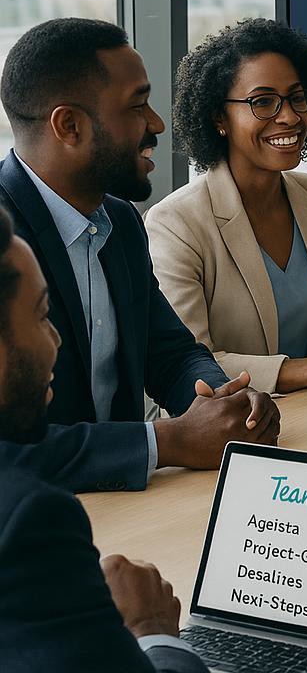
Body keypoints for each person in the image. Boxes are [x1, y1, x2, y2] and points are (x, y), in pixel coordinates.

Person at [0, 18, 279, 494]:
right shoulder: (5, 247)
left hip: (131, 510)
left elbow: (168, 352)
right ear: (68, 125)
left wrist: (223, 404)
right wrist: (167, 442)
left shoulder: (121, 222)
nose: (157, 124)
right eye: (137, 106)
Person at [0, 203, 210, 672]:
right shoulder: (29, 522)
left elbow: (169, 348)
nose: (53, 339)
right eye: (39, 316)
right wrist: (152, 630)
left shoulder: (121, 222)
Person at [145, 18, 307, 395]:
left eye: (297, 97)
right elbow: (188, 363)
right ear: (219, 118)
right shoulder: (176, 223)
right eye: (262, 102)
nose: (290, 116)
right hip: (233, 427)